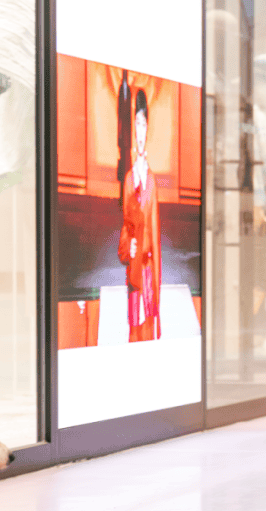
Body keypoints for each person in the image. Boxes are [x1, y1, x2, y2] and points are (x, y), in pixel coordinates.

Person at [117, 88, 160, 342]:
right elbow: (125, 224)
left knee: (148, 324)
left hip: (149, 268)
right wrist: (128, 245)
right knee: (134, 326)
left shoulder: (151, 179)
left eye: (143, 124)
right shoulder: (129, 178)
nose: (140, 131)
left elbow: (154, 231)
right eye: (136, 124)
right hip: (135, 268)